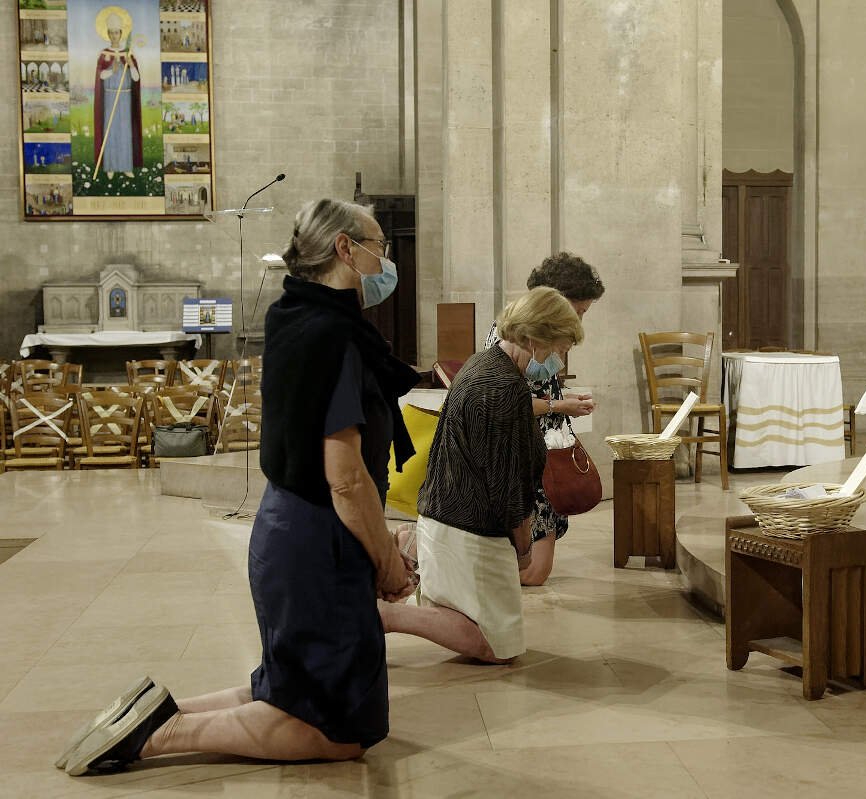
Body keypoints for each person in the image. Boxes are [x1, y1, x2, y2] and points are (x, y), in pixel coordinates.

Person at [57, 199, 420, 776]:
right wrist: (387, 561)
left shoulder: (293, 315)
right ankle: (162, 733)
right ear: (345, 249)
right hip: (318, 538)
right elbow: (346, 478)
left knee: (295, 689)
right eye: (379, 243)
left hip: (287, 526)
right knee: (339, 729)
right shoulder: (334, 336)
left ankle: (150, 712)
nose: (387, 257)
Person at [381, 287, 585, 663]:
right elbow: (510, 489)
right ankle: (386, 616)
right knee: (495, 645)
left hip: (447, 513)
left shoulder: (484, 362)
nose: (560, 358)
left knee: (486, 625)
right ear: (532, 338)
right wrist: (523, 549)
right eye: (558, 347)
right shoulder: (504, 388)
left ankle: (415, 547)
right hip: (469, 526)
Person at [483, 252, 604, 586]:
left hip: (541, 451)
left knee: (533, 565)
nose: (579, 321)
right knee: (534, 572)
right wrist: (559, 407)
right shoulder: (514, 336)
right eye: (579, 312)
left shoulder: (538, 334)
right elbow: (511, 403)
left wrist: (563, 399)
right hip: (525, 452)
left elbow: (537, 388)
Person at [93, 11, 142, 175]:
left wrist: (132, 65)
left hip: (125, 98)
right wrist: (111, 70)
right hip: (109, 96)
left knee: (124, 131)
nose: (114, 36)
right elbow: (100, 76)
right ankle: (111, 166)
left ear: (121, 33)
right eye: (111, 33)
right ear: (108, 34)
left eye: (117, 32)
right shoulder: (104, 54)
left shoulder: (128, 54)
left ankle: (126, 166)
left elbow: (136, 78)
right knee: (111, 130)